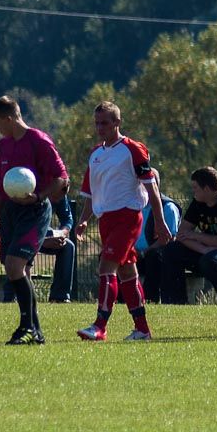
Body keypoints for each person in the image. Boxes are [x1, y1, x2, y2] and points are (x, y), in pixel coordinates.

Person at [76, 101, 172, 341]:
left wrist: (160, 222)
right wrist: (84, 220)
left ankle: (100, 326)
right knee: (128, 272)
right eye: (97, 123)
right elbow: (90, 192)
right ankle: (142, 329)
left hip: (128, 217)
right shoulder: (96, 155)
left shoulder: (133, 149)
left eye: (105, 123)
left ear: (117, 123)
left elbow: (152, 190)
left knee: (105, 266)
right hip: (106, 220)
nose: (100, 128)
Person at [0, 96, 69, 345]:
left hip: (34, 212)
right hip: (10, 212)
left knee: (14, 265)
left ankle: (27, 327)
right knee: (22, 271)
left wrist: (38, 197)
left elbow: (61, 179)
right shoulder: (2, 147)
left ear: (9, 118)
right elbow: (2, 187)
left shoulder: (39, 141)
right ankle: (34, 331)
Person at [159, 166, 217, 304]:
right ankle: (176, 301)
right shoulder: (198, 203)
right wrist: (203, 249)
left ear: (206, 189)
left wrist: (196, 236)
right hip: (208, 250)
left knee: (210, 261)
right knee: (171, 249)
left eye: (195, 187)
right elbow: (182, 235)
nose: (193, 191)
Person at [135, 168, 182, 303]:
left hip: (154, 254)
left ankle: (150, 299)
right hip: (135, 253)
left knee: (153, 257)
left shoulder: (168, 207)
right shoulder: (136, 205)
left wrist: (144, 252)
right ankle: (119, 301)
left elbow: (169, 238)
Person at [40, 192, 75, 303]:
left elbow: (67, 219)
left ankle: (60, 296)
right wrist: (42, 241)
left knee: (68, 246)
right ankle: (11, 295)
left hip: (44, 232)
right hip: (23, 234)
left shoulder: (59, 192)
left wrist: (62, 234)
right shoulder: (34, 192)